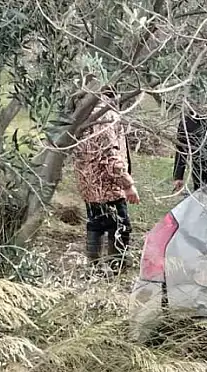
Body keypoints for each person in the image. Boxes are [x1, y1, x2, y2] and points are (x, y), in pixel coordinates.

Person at [73, 90, 139, 270]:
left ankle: (93, 267)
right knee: (120, 226)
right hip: (109, 185)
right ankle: (117, 268)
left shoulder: (81, 113)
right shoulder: (107, 115)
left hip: (88, 184)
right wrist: (128, 185)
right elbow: (110, 156)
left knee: (95, 224)